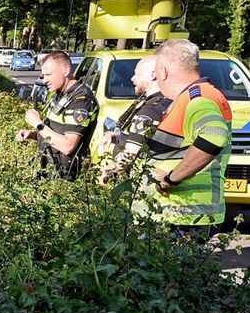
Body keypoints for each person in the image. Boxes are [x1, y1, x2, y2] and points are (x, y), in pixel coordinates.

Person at [145, 39, 232, 233]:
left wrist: (171, 178)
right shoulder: (196, 95)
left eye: (155, 71)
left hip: (183, 214)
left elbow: (214, 135)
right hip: (183, 214)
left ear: (163, 72)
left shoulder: (197, 99)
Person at [15, 51, 98, 180]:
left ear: (66, 71)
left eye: (48, 75)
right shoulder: (60, 94)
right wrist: (32, 134)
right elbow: (55, 132)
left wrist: (38, 124)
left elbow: (68, 146)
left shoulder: (80, 101)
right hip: (49, 172)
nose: (45, 80)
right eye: (43, 75)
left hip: (65, 179)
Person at [98, 56, 170, 182]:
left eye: (137, 74)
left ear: (153, 75)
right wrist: (116, 137)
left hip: (139, 181)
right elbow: (138, 136)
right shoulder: (151, 102)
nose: (132, 78)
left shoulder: (152, 109)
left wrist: (108, 173)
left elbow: (130, 155)